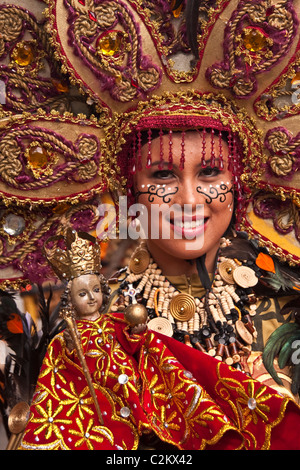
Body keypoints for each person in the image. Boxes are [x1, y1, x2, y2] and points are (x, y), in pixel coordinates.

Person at [1, 0, 300, 451]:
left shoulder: (287, 308)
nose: (188, 200)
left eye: (211, 173)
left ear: (240, 181)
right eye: (162, 175)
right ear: (127, 188)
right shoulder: (90, 327)